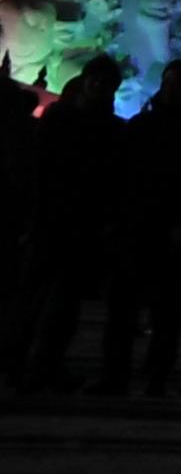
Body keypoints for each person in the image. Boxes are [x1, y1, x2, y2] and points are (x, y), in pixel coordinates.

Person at [102, 59, 181, 397]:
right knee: (122, 306)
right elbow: (121, 174)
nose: (171, 89)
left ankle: (155, 374)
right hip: (134, 224)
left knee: (165, 309)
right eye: (168, 82)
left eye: (179, 83)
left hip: (172, 231)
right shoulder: (142, 124)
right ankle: (114, 372)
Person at [10, 60, 123, 391]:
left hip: (83, 224)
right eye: (95, 80)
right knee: (36, 297)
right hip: (52, 219)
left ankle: (44, 363)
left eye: (106, 82)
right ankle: (23, 362)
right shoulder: (61, 119)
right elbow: (40, 169)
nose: (99, 87)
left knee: (63, 302)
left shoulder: (109, 127)